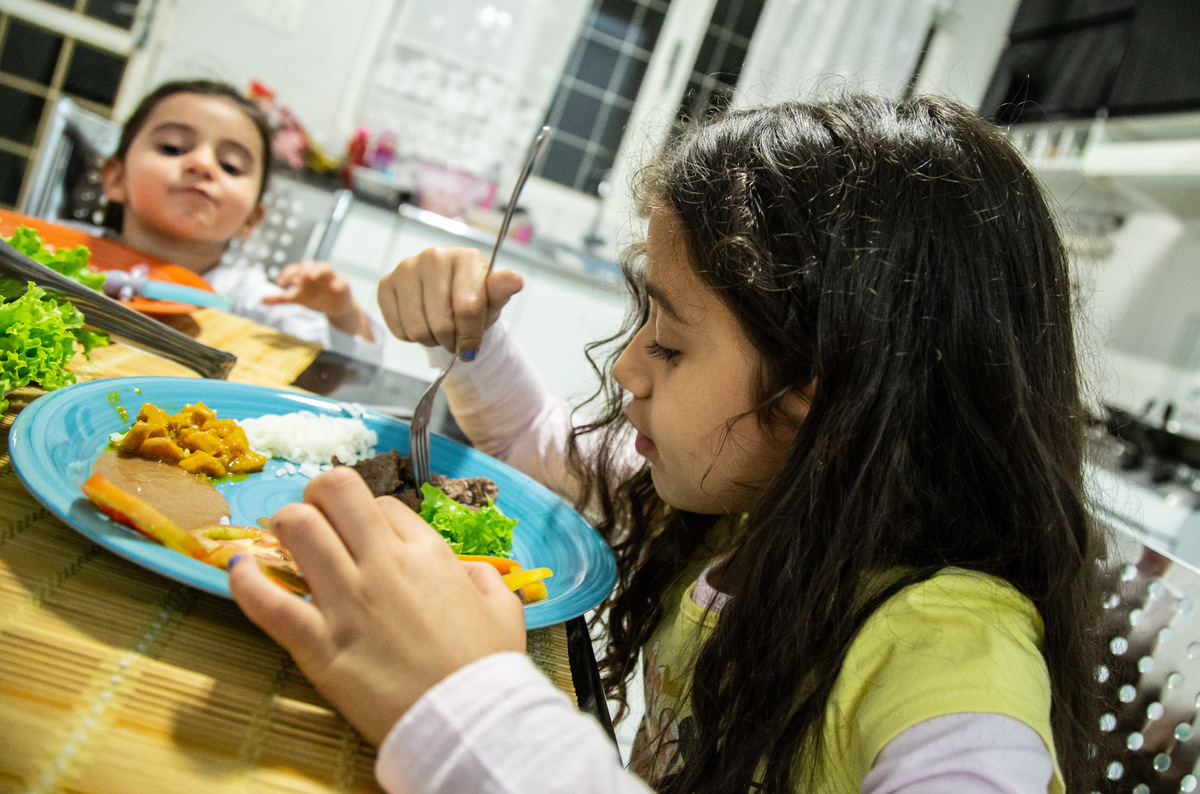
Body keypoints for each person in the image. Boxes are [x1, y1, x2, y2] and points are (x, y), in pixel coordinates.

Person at [228, 94, 1107, 793]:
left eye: (672, 344)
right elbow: (536, 446)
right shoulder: (750, 508)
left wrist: (481, 715)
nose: (629, 368)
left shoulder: (953, 664)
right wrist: (467, 337)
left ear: (815, 389)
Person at [100, 79, 382, 360]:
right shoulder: (73, 254)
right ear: (115, 178)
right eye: (173, 148)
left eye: (230, 166)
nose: (203, 164)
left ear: (251, 218)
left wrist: (343, 315)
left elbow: (349, 361)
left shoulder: (250, 301)